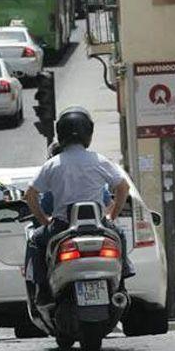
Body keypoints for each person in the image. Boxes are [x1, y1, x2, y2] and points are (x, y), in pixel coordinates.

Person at [24, 106, 132, 303]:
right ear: (88, 133)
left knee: (34, 240)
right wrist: (111, 217)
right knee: (120, 234)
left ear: (61, 133)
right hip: (98, 226)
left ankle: (42, 291)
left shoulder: (53, 164)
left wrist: (44, 221)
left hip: (61, 227)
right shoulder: (100, 161)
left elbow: (30, 195)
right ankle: (122, 281)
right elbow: (123, 187)